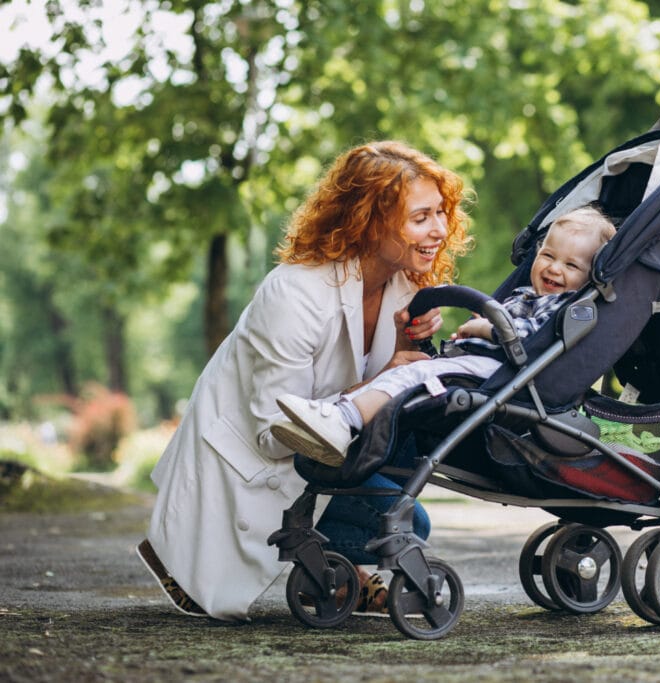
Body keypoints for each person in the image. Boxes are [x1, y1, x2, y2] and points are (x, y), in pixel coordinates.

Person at [136, 141, 471, 622]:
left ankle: (339, 575)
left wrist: (401, 347)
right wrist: (391, 375)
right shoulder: (294, 294)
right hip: (252, 467)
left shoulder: (405, 284)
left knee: (410, 472)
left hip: (322, 452)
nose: (439, 229)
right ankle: (202, 553)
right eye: (421, 218)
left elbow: (373, 389)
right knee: (405, 523)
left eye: (441, 213)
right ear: (370, 221)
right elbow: (275, 434)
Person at [271, 205, 616, 468]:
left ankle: (342, 420)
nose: (554, 268)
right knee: (410, 372)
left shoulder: (566, 306)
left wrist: (485, 327)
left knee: (413, 374)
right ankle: (334, 417)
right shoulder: (527, 294)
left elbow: (525, 336)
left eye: (571, 266)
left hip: (504, 375)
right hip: (481, 365)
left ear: (589, 278)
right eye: (548, 256)